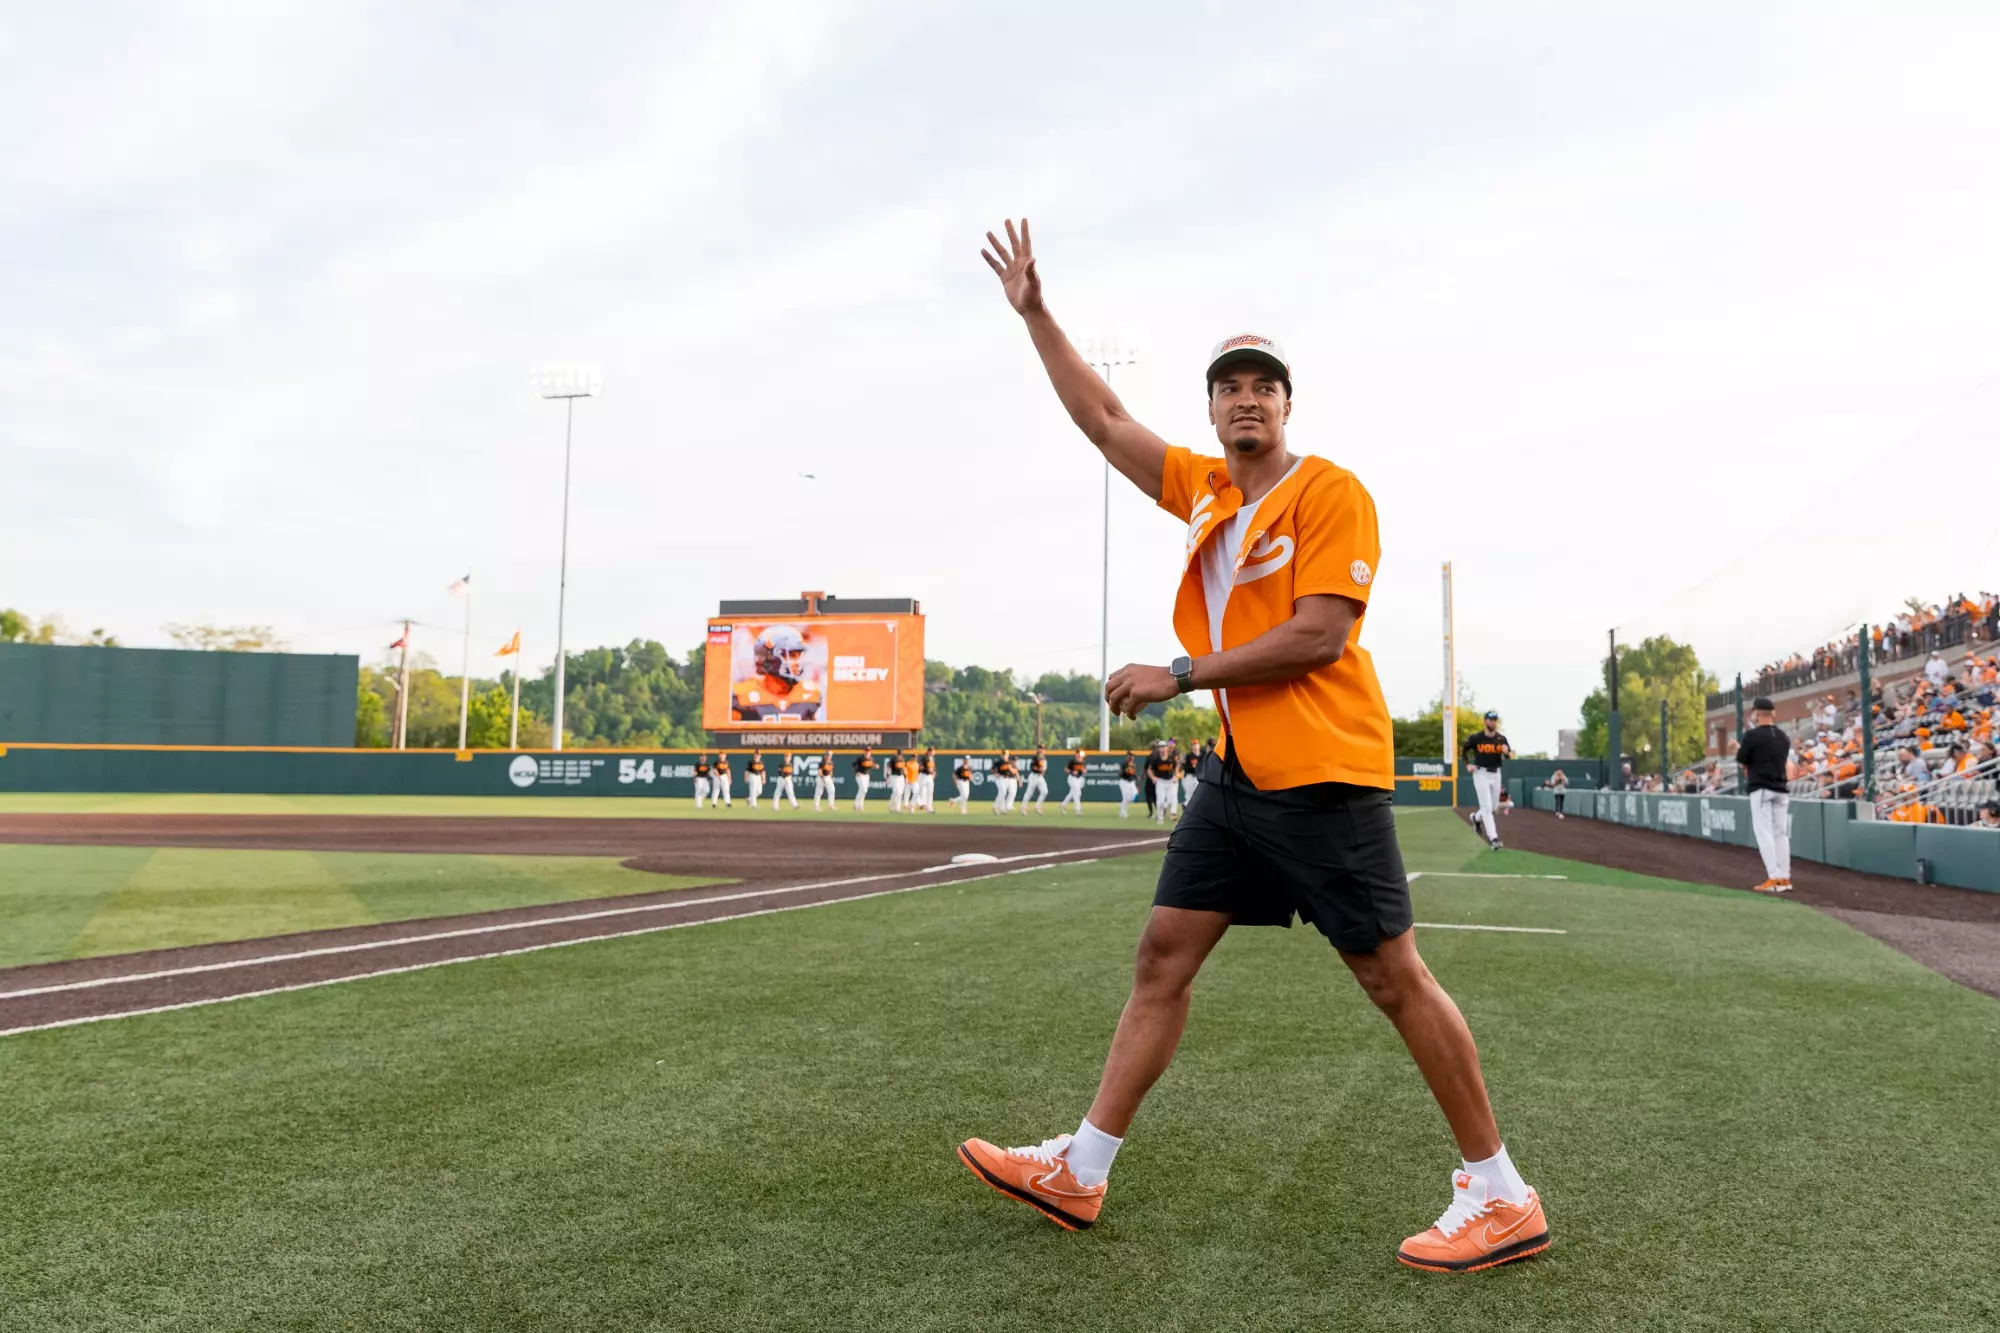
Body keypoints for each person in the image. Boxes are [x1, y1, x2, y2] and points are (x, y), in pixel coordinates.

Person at [957, 219, 1548, 1273]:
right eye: (1227, 384)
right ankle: (1081, 1167)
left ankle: (1499, 1192)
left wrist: (1176, 674)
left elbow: (1317, 634)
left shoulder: (1329, 491)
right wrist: (1036, 314)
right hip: (1236, 779)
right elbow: (1101, 419)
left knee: (1392, 979)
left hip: (1322, 775)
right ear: (1211, 406)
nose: (1244, 397)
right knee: (1161, 956)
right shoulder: (1203, 488)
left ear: (1285, 403)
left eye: (1261, 384)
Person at [1737, 697, 1793, 893]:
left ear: (1756, 713)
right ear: (1773, 713)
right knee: (1781, 834)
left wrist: (1738, 750)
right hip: (1781, 788)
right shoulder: (1783, 737)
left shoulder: (1752, 736)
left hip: (1761, 788)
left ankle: (1774, 877)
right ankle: (1784, 877)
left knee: (1764, 832)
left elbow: (1743, 761)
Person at [1461, 712, 1510, 851]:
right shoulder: (1476, 738)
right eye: (1491, 720)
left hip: (1496, 773)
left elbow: (1508, 757)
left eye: (1495, 720)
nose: (1493, 722)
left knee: (1493, 808)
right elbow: (1463, 750)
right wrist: (1467, 764)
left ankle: (1476, 818)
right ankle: (1494, 839)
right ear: (1485, 721)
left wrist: (1507, 753)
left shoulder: (1501, 738)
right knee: (1487, 807)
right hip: (1480, 773)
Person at [1147, 744, 1180, 825]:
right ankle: (1160, 817)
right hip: (1160, 781)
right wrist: (1153, 778)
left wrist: (1176, 776)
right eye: (1161, 747)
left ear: (1167, 748)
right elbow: (1149, 770)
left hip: (1170, 781)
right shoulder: (1156, 759)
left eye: (1164, 747)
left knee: (1171, 800)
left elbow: (1176, 767)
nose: (1163, 749)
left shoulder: (1171, 758)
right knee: (1160, 801)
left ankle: (1172, 814)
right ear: (1159, 749)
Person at [1021, 746, 1051, 814]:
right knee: (1029, 793)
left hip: (1040, 777)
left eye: (1043, 749)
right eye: (1041, 749)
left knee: (1045, 791)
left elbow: (1044, 769)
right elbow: (1031, 767)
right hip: (1033, 776)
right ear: (1038, 750)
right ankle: (1023, 808)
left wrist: (1042, 773)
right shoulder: (1035, 757)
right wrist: (1038, 769)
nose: (1042, 750)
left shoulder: (1044, 758)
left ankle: (1037, 806)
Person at [1060, 748, 1088, 814]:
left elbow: (1084, 771)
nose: (1079, 754)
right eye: (1078, 753)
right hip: (1072, 778)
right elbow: (1066, 769)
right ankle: (1078, 809)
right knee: (1077, 793)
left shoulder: (1083, 762)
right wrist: (1072, 771)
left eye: (1080, 753)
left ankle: (1063, 805)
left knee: (1072, 793)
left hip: (1079, 779)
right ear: (1076, 754)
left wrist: (1084, 771)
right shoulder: (1072, 761)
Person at [1117, 751, 1139, 819]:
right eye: (1130, 755)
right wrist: (1125, 771)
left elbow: (1133, 773)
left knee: (1134, 795)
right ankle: (1123, 812)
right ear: (1128, 756)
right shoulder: (1124, 764)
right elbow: (1119, 773)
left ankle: (1122, 804)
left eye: (1133, 756)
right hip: (1124, 781)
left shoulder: (1133, 764)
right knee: (1126, 797)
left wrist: (1136, 777)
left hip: (1131, 782)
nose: (1132, 757)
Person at [1179, 739, 1201, 808]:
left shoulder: (1203, 755)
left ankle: (1186, 806)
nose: (1195, 746)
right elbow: (1184, 767)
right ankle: (1185, 806)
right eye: (1193, 745)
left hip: (1198, 778)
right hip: (1189, 777)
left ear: (1199, 746)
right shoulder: (1189, 756)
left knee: (1197, 794)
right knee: (1189, 795)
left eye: (1196, 744)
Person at [918, 747, 938, 812]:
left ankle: (929, 808)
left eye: (934, 751)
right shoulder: (924, 757)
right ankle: (921, 804)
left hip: (929, 777)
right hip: (923, 776)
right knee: (922, 791)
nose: (933, 752)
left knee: (930, 792)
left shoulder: (932, 758)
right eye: (932, 751)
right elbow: (921, 767)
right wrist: (928, 770)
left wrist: (934, 773)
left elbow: (933, 768)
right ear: (929, 751)